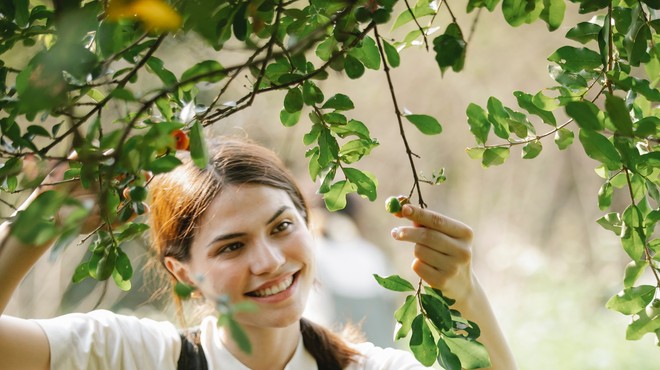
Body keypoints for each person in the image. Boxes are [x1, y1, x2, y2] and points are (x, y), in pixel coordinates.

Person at [0, 137, 517, 370]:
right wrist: (33, 229)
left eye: (282, 226)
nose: (269, 260)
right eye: (231, 246)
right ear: (184, 273)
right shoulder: (134, 356)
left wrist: (465, 293)